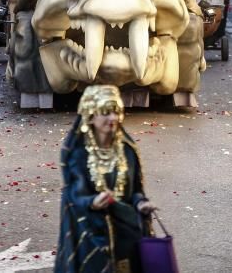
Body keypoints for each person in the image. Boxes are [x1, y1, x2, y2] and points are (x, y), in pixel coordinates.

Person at [55, 84, 156, 273]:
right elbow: (74, 196)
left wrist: (141, 203)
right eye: (106, 112)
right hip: (92, 238)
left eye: (117, 112)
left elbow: (135, 192)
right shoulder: (79, 155)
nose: (113, 118)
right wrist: (92, 202)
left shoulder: (127, 151)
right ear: (91, 116)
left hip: (126, 237)